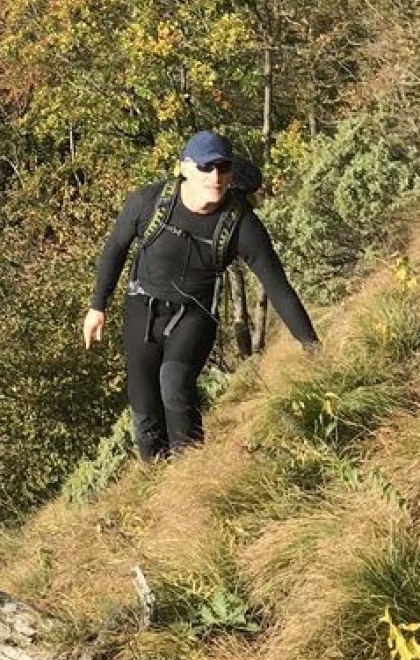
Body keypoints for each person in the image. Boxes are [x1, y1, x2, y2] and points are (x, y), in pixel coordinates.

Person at [83, 130, 319, 460]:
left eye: (223, 167)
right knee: (144, 405)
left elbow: (278, 287)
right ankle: (154, 474)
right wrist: (98, 306)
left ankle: (190, 468)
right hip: (143, 307)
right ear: (185, 168)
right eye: (206, 167)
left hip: (195, 314)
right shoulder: (147, 202)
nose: (215, 177)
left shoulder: (241, 225)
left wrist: (311, 346)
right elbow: (115, 250)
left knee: (175, 384)